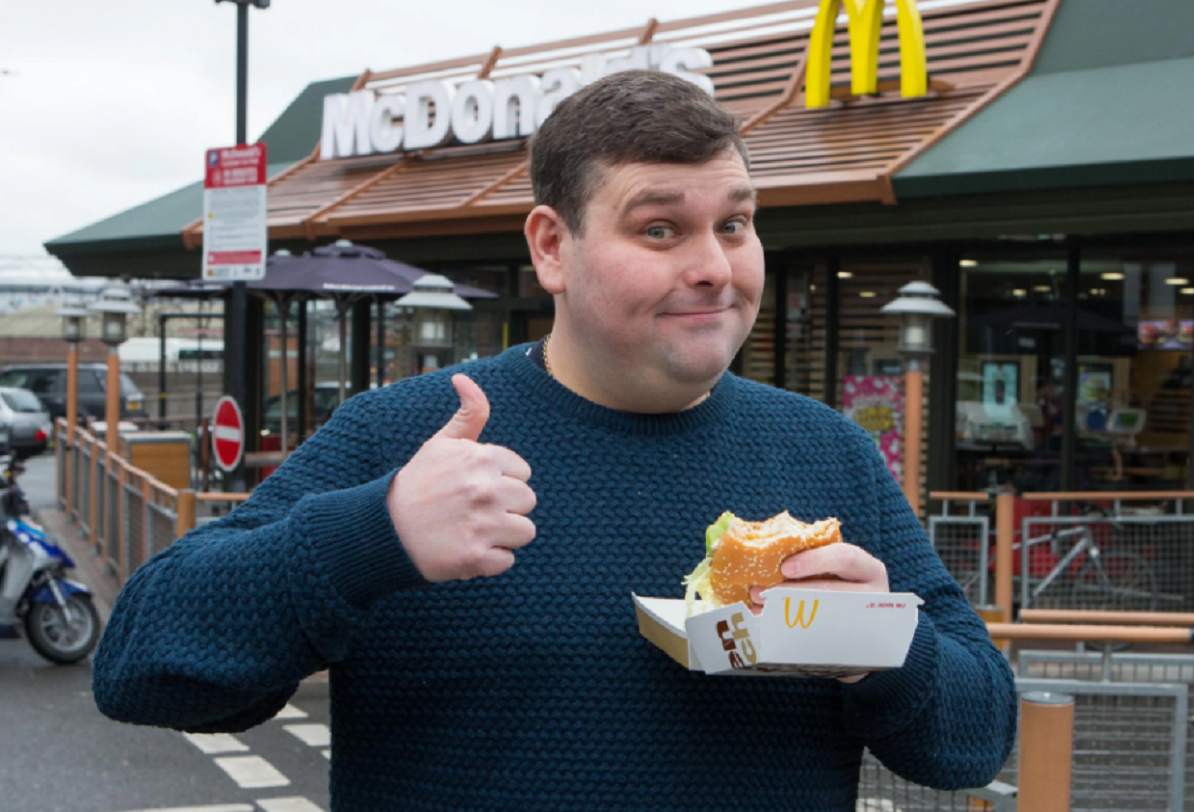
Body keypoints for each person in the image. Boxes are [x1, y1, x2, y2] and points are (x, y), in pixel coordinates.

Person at [94, 70, 1016, 811]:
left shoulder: (825, 454)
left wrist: (880, 646)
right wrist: (373, 536)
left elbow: (975, 739)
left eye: (734, 224)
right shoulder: (407, 437)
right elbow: (142, 665)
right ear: (550, 248)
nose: (713, 266)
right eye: (660, 228)